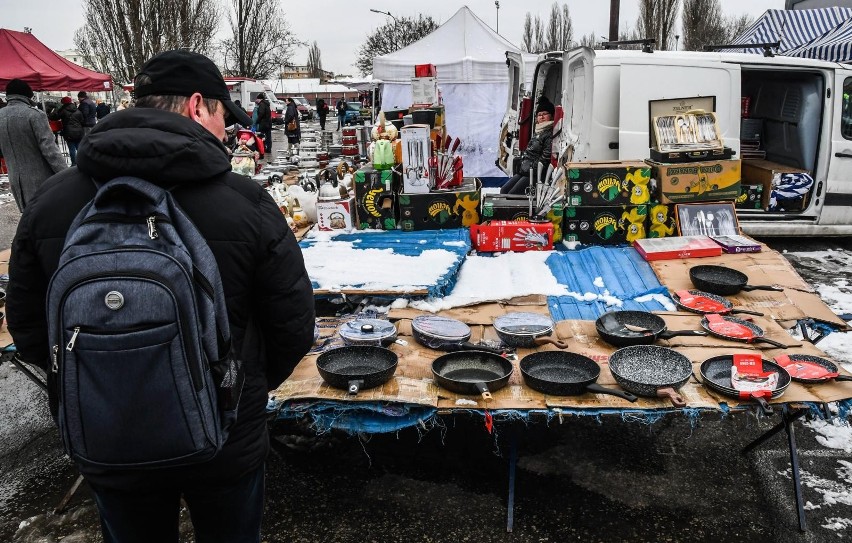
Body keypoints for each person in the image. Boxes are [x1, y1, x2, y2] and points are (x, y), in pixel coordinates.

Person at [6, 49, 316, 543]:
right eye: (222, 115)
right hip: (224, 440)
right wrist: (236, 387)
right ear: (197, 106)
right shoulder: (245, 202)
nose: (227, 131)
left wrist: (105, 386)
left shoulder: (52, 202)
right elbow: (294, 326)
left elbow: (27, 326)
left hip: (109, 439)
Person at [0, 79, 67, 211]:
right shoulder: (35, 115)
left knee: (29, 219)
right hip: (41, 179)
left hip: (16, 180)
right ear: (27, 94)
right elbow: (50, 151)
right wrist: (66, 174)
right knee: (47, 217)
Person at [500, 96, 555, 195]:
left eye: (545, 114)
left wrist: (528, 168)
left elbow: (545, 160)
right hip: (526, 170)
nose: (541, 117)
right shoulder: (538, 131)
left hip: (536, 174)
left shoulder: (549, 134)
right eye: (539, 115)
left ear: (551, 116)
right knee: (504, 190)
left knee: (513, 194)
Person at [50, 96, 85, 165]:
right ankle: (83, 161)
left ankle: (74, 164)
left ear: (63, 103)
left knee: (72, 149)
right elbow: (82, 121)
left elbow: (55, 117)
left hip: (69, 132)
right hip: (79, 131)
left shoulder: (63, 110)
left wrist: (52, 112)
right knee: (79, 148)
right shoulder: (77, 110)